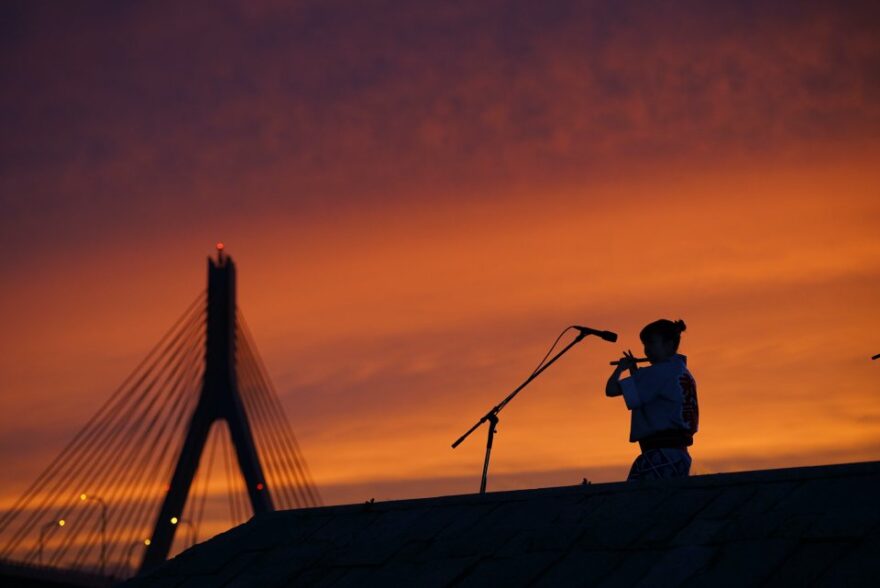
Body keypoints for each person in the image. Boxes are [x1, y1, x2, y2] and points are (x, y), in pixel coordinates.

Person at [605, 319, 698, 481]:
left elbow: (611, 389)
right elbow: (652, 396)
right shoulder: (681, 371)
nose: (647, 350)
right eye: (645, 345)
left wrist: (620, 369)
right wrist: (636, 374)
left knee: (634, 501)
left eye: (651, 344)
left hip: (660, 455)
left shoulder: (658, 372)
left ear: (668, 344)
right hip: (678, 455)